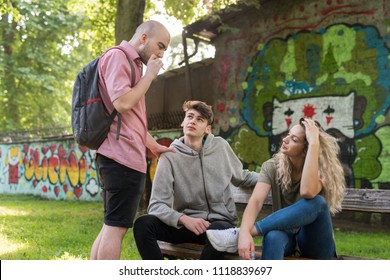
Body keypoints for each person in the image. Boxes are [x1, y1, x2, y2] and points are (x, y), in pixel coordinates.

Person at [90, 20, 174, 260]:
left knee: (110, 226)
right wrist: (149, 76)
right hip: (122, 158)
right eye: (160, 45)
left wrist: (154, 146)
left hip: (121, 157)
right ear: (144, 38)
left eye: (165, 48)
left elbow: (132, 119)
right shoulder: (119, 57)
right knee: (116, 229)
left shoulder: (133, 65)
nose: (161, 53)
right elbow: (123, 104)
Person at [133, 100, 258, 260]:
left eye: (199, 119)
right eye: (190, 116)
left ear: (207, 128)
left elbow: (243, 177)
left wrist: (275, 177)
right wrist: (183, 219)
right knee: (143, 225)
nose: (193, 121)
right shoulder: (170, 156)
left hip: (219, 222)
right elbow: (156, 205)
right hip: (187, 225)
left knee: (218, 234)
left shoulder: (220, 147)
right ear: (183, 122)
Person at [206, 118, 346, 260]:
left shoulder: (322, 170)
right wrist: (244, 235)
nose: (285, 140)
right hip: (287, 236)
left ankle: (246, 231)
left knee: (317, 202)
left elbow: (307, 192)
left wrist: (314, 143)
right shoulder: (272, 166)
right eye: (288, 135)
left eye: (294, 139)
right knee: (273, 236)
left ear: (306, 149)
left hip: (315, 243)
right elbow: (256, 201)